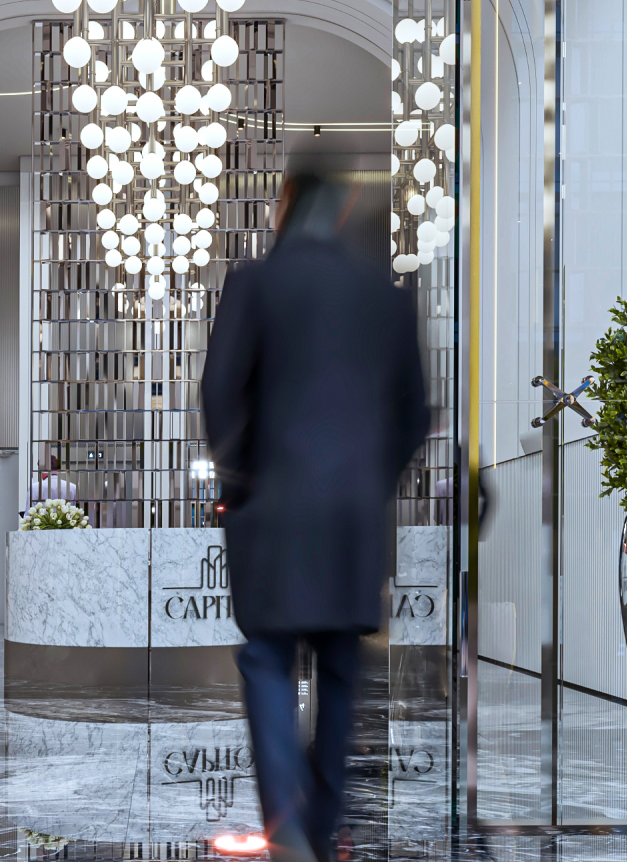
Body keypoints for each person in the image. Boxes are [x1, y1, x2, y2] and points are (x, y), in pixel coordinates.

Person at [202, 171, 427, 862]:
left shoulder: (255, 283)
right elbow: (413, 417)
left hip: (271, 514)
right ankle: (322, 827)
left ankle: (288, 828)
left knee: (269, 659)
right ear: (344, 210)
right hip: (353, 520)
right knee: (339, 668)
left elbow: (219, 395)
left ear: (285, 207)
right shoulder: (386, 300)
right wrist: (369, 484)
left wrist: (241, 482)